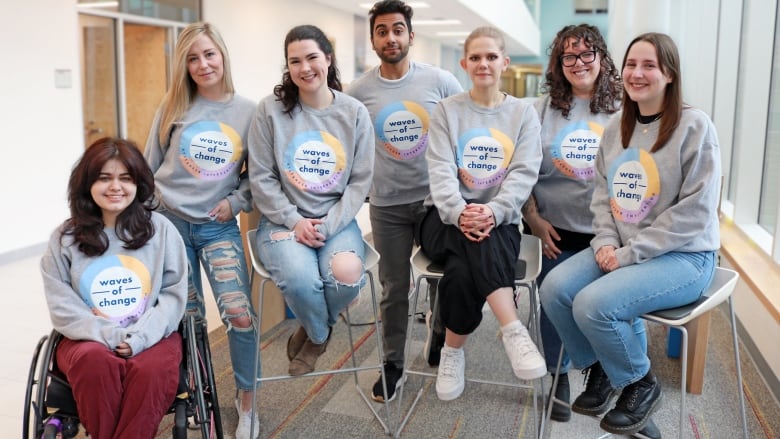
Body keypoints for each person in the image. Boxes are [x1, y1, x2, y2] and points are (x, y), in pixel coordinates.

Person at [540, 32, 721, 436]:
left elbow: (695, 213)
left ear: (669, 74)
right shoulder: (616, 129)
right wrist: (605, 242)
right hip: (623, 247)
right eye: (632, 65)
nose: (637, 74)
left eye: (649, 65)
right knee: (554, 290)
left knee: (592, 304)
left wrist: (627, 253)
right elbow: (602, 199)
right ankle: (602, 370)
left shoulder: (694, 126)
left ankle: (641, 384)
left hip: (685, 257)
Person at [143, 22, 259, 439]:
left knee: (239, 316)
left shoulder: (249, 111)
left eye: (209, 54)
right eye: (192, 58)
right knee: (188, 320)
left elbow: (256, 177)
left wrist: (237, 201)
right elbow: (148, 169)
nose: (202, 64)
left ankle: (246, 402)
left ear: (223, 56)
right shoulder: (172, 107)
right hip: (170, 227)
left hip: (217, 228)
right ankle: (195, 393)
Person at [417, 26, 546, 401]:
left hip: (499, 220)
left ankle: (451, 352)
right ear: (464, 64)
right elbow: (440, 171)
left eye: (491, 56)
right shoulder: (447, 111)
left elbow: (524, 173)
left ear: (505, 62)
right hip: (441, 220)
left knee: (461, 271)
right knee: (472, 244)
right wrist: (460, 212)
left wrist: (492, 210)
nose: (483, 63)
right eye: (475, 57)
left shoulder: (522, 114)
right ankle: (512, 328)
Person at [347, 0, 463, 403]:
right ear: (374, 39)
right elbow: (351, 144)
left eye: (398, 29)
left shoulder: (441, 80)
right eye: (382, 31)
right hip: (387, 205)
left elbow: (463, 129)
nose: (391, 37)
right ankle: (393, 363)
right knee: (393, 287)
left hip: (436, 203)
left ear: (411, 35)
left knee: (444, 276)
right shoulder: (358, 92)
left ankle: (437, 334)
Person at [247, 25, 375, 378]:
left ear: (328, 59)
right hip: (282, 221)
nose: (305, 68)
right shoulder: (269, 112)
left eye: (312, 58)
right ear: (287, 67)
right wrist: (294, 221)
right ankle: (319, 334)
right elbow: (261, 177)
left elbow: (360, 181)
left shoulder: (353, 113)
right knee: (302, 282)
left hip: (336, 220)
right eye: (295, 61)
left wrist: (329, 224)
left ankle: (312, 324)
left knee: (348, 277)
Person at [40, 137, 188, 439]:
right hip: (86, 339)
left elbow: (173, 298)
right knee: (94, 362)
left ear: (138, 184)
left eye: (125, 178)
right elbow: (62, 306)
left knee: (150, 370)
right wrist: (111, 335)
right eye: (104, 178)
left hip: (152, 334)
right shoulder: (64, 239)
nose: (115, 187)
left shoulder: (160, 231)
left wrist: (140, 336)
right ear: (86, 184)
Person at [520, 24, 625, 424]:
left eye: (587, 54)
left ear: (601, 58)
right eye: (569, 56)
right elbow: (522, 172)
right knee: (551, 298)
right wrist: (533, 218)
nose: (579, 63)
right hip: (553, 228)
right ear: (558, 63)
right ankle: (558, 373)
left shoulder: (622, 108)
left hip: (609, 231)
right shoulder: (540, 111)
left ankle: (607, 372)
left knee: (601, 305)